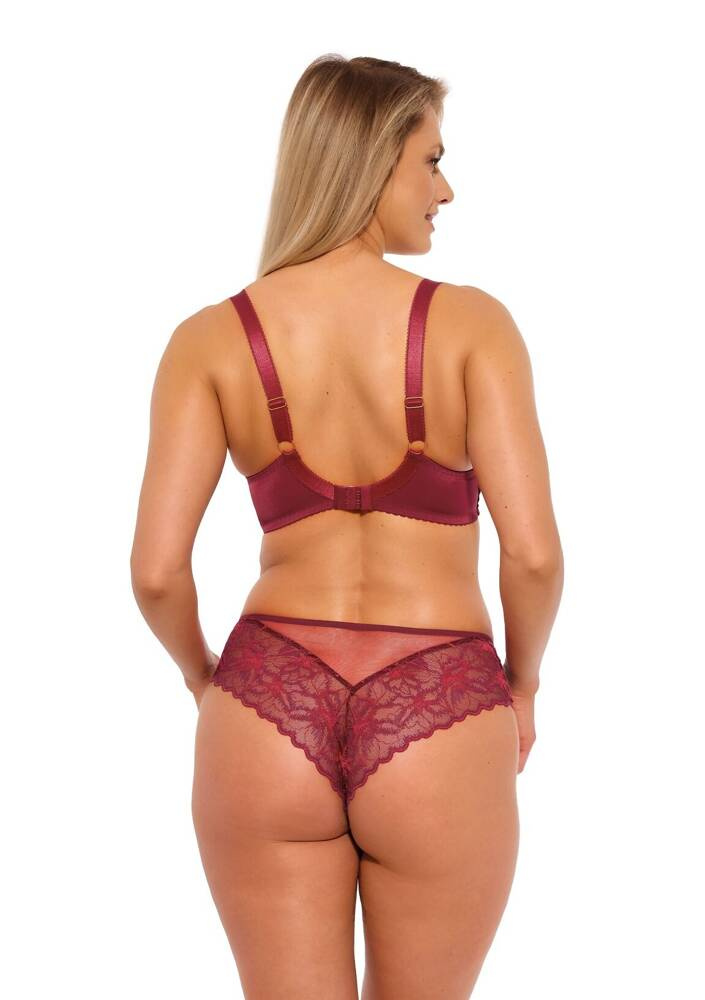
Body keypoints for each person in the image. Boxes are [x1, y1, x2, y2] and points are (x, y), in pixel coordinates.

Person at [130, 54, 563, 1000]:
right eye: (430, 161)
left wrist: (204, 679)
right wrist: (524, 684)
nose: (444, 190)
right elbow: (531, 555)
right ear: (372, 162)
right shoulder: (472, 327)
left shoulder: (209, 339)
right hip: (439, 691)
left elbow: (156, 571)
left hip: (267, 694)